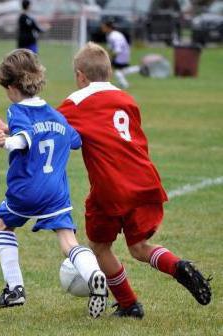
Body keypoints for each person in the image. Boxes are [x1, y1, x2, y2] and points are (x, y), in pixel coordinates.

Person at [56, 42, 212, 318]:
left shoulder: (77, 102)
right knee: (139, 248)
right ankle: (177, 266)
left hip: (110, 187)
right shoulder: (126, 99)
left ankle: (129, 304)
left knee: (100, 247)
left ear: (80, 75)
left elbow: (50, 125)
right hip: (144, 180)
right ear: (110, 71)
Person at [0, 49, 107, 318]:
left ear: (13, 86)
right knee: (67, 239)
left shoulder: (16, 110)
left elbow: (25, 137)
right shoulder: (55, 114)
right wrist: (9, 130)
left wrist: (8, 140)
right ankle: (94, 273)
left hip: (26, 188)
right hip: (56, 191)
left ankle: (15, 289)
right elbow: (74, 141)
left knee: (4, 226)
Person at [101, 19, 138, 89]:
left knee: (117, 72)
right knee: (121, 71)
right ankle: (138, 69)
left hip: (121, 55)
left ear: (108, 27)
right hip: (121, 54)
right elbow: (110, 47)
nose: (102, 28)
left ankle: (124, 84)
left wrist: (111, 58)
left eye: (103, 27)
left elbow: (118, 49)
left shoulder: (114, 36)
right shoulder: (110, 35)